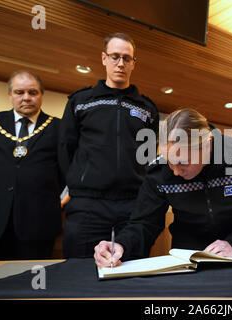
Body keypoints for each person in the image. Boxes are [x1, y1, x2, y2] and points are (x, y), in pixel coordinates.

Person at [94, 108, 232, 268]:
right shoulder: (159, 173)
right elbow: (144, 222)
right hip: (187, 257)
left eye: (183, 162)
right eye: (170, 162)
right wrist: (121, 245)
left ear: (207, 145)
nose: (175, 172)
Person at [59, 33, 160, 258]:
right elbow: (65, 148)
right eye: (115, 56)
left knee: (131, 271)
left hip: (132, 205)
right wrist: (78, 184)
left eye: (127, 58)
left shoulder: (148, 109)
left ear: (134, 63)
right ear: (104, 58)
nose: (120, 63)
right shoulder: (80, 101)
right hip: (87, 204)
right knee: (79, 271)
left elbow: (149, 158)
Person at [0, 70, 64, 261]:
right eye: (20, 92)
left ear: (41, 95)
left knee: (32, 284)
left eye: (33, 92)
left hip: (38, 223)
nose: (26, 98)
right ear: (10, 95)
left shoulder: (59, 127)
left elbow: (64, 172)